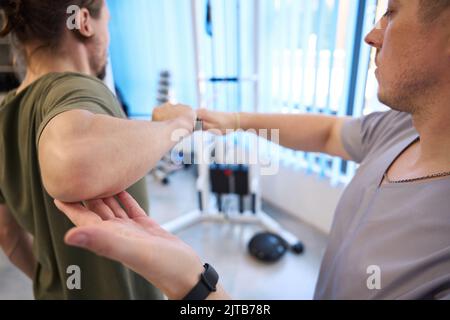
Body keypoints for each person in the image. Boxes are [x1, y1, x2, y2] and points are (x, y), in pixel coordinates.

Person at [55, 0, 450, 300]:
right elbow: (329, 132)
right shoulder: (401, 127)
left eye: (392, 13)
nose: (372, 34)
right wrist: (237, 120)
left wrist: (191, 283)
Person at [0, 0, 195, 299]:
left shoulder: (3, 114)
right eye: (108, 21)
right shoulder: (76, 87)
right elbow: (71, 165)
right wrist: (178, 125)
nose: (110, 35)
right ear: (84, 22)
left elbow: (7, 235)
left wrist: (56, 284)